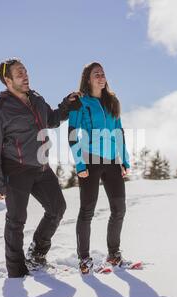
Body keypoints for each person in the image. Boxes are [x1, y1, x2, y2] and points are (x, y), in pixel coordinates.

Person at [0, 57, 81, 278]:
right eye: (19, 73)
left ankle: (37, 253)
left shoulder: (36, 99)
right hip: (15, 170)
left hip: (41, 166)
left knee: (57, 209)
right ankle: (16, 272)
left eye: (25, 71)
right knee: (16, 221)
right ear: (8, 80)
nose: (25, 75)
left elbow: (52, 119)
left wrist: (67, 105)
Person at [68, 62, 131, 274]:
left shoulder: (112, 101)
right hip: (90, 160)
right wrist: (79, 163)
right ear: (88, 79)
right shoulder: (80, 102)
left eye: (103, 74)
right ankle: (84, 259)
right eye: (96, 74)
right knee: (87, 211)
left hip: (113, 161)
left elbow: (119, 131)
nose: (101, 77)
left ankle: (114, 255)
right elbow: (72, 134)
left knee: (119, 209)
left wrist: (125, 159)